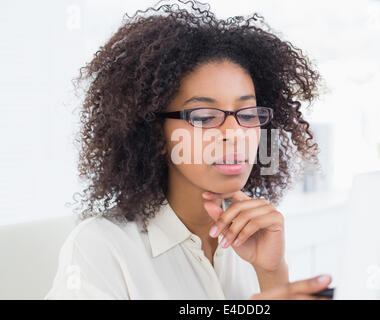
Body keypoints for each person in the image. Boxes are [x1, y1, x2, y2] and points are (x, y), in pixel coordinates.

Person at [45, 0, 332, 300]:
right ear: (156, 133)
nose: (234, 134)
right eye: (205, 117)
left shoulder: (258, 236)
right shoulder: (101, 246)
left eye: (247, 115)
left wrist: (272, 273)